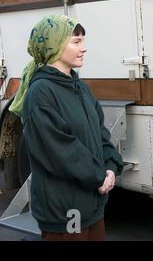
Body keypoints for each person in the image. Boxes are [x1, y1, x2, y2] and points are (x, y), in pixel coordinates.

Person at [9, 15, 123, 241]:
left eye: (83, 41)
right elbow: (60, 150)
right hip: (65, 211)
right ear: (55, 45)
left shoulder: (79, 87)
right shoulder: (41, 93)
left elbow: (100, 134)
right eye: (76, 41)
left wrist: (111, 166)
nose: (84, 48)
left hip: (92, 205)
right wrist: (99, 176)